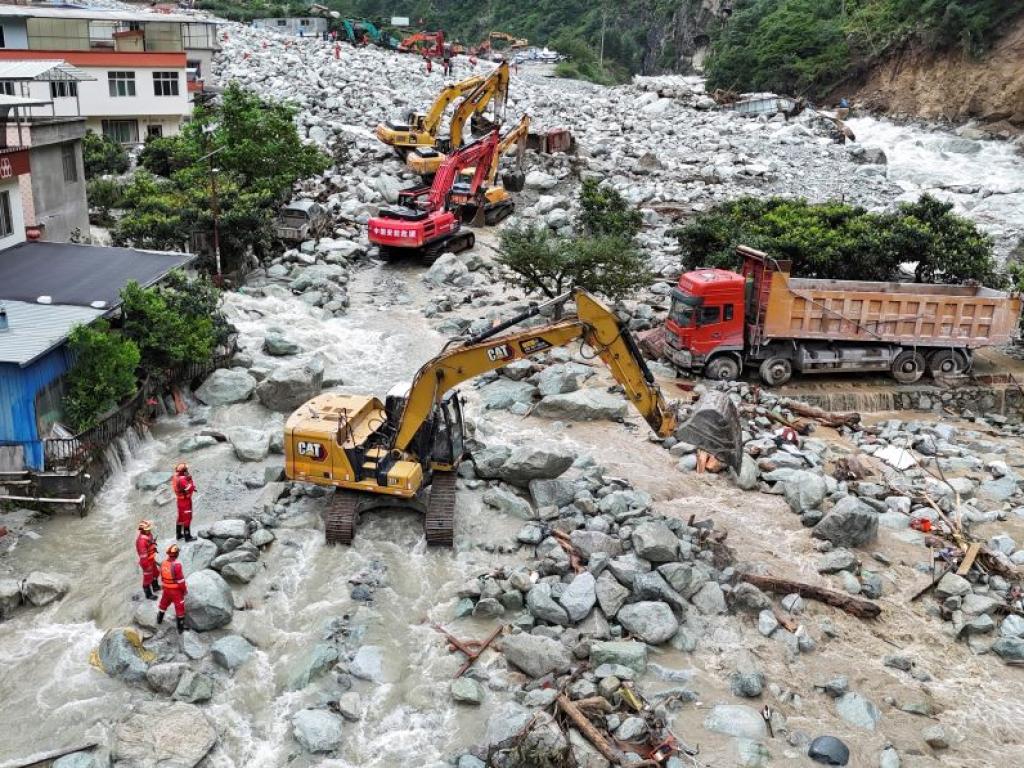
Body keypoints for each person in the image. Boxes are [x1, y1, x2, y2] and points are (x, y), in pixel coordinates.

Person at [157, 544, 187, 634]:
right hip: (176, 591)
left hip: (166, 589)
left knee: (163, 604)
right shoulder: (177, 565)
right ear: (177, 554)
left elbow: (162, 577)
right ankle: (180, 629)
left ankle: (159, 620)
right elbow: (181, 581)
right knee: (179, 608)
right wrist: (184, 590)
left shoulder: (163, 563)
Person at [135, 520, 160, 601]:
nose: (149, 530)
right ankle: (148, 594)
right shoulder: (141, 542)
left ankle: (155, 587)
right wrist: (147, 566)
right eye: (147, 529)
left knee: (156, 573)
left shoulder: (149, 535)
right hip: (146, 562)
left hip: (151, 559)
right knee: (147, 578)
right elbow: (143, 556)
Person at [171, 463, 196, 542]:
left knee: (181, 517)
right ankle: (187, 537)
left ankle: (178, 535)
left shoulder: (176, 476)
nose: (187, 471)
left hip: (180, 501)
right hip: (185, 501)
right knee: (187, 518)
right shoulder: (182, 479)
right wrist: (190, 480)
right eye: (186, 470)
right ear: (183, 471)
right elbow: (190, 488)